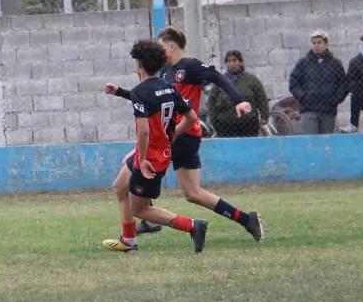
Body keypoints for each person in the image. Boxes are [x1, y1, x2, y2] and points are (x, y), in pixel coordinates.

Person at [107, 27, 265, 242]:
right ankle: (246, 219)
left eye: (161, 47)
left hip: (181, 136)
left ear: (171, 47)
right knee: (193, 193)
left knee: (127, 178)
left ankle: (142, 224)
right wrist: (121, 92)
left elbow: (217, 77)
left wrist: (239, 100)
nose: (157, 51)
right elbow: (149, 99)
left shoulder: (189, 66)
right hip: (177, 136)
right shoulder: (166, 72)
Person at [101, 39, 208, 254]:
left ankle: (192, 226)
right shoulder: (169, 88)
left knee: (140, 209)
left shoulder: (141, 91)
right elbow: (191, 118)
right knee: (120, 187)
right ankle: (129, 240)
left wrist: (141, 160)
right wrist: (172, 135)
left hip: (150, 159)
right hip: (157, 153)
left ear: (139, 64)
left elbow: (144, 130)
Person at [289, 30, 348, 134]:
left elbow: (343, 84)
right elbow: (293, 84)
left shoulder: (335, 64)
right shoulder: (303, 63)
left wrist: (335, 99)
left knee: (326, 140)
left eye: (319, 42)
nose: (316, 45)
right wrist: (304, 97)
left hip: (328, 110)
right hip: (308, 110)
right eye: (314, 43)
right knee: (311, 140)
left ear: (326, 44)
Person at [207, 49, 270, 137]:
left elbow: (261, 98)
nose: (231, 64)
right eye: (228, 61)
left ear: (241, 62)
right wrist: (214, 120)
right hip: (225, 125)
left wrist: (264, 116)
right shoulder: (220, 81)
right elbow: (211, 101)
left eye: (234, 60)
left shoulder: (251, 80)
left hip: (248, 124)